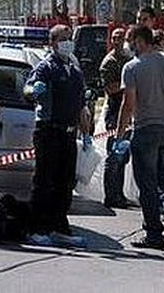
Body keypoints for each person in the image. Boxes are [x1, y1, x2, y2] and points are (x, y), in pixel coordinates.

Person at [115, 24, 164, 250]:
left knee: (147, 184)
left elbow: (128, 105)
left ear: (140, 41)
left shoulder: (132, 68)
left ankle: (154, 234)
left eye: (131, 40)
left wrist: (120, 136)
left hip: (145, 131)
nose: (130, 45)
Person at [24, 24, 91, 248]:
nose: (67, 42)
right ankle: (37, 228)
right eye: (63, 38)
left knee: (65, 181)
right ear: (52, 42)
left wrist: (86, 130)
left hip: (69, 133)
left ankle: (59, 226)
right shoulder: (46, 67)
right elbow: (29, 89)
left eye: (69, 38)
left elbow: (81, 104)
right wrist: (34, 91)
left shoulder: (74, 68)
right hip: (49, 130)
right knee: (45, 180)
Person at [100, 28, 132, 208]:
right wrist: (129, 86)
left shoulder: (127, 59)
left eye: (121, 38)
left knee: (123, 156)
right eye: (115, 38)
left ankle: (118, 194)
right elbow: (111, 89)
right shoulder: (109, 63)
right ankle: (111, 195)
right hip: (115, 113)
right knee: (114, 155)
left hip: (128, 112)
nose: (118, 41)